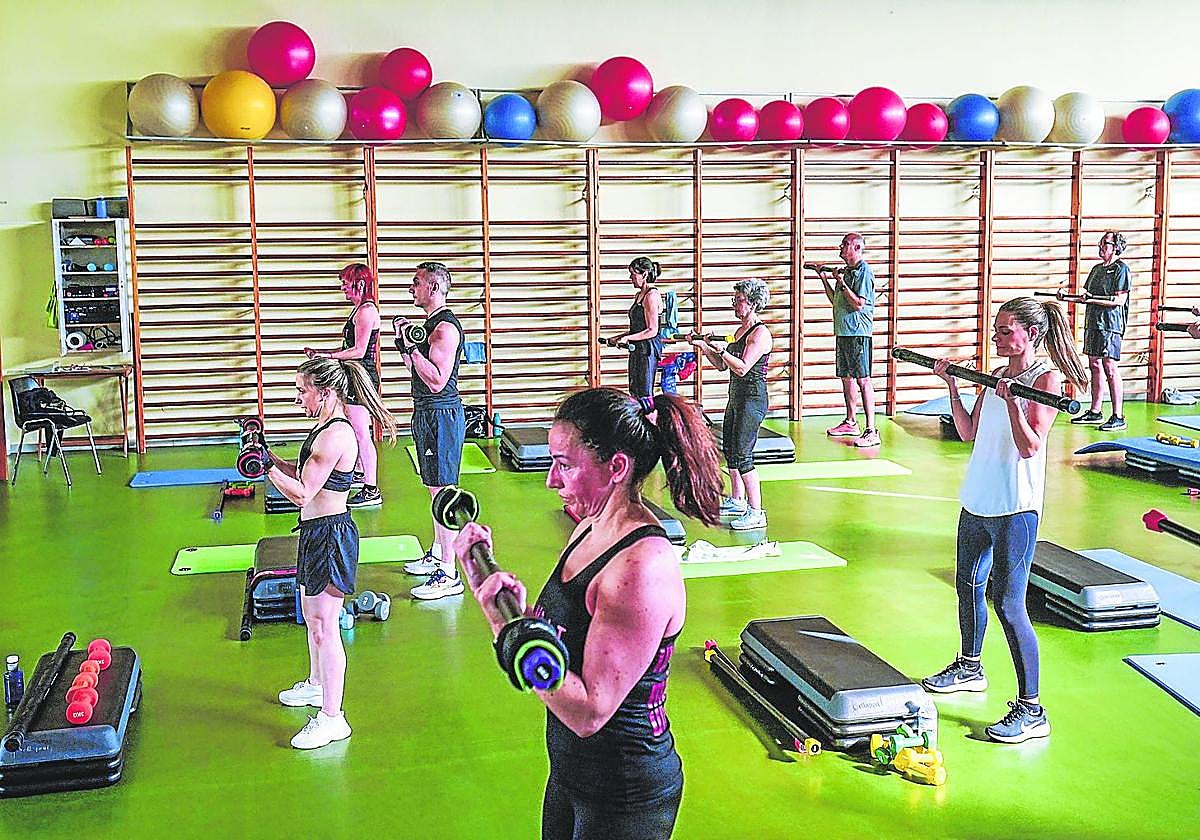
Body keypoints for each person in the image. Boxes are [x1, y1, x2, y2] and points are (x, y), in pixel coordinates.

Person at [452, 387, 722, 840]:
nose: (551, 481)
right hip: (571, 774)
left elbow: (590, 711)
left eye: (565, 465)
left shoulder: (640, 567)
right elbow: (563, 639)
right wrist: (500, 603)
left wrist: (511, 633)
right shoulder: (590, 528)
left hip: (624, 792)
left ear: (616, 467)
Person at [920, 297, 1088, 744]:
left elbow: (1030, 445)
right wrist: (954, 386)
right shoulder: (996, 376)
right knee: (967, 586)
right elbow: (969, 431)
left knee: (1010, 605)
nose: (997, 338)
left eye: (1005, 330)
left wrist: (1013, 403)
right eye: (996, 330)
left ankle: (1033, 710)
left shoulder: (1047, 379)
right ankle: (970, 668)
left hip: (1016, 505)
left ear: (1032, 334)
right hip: (978, 498)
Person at [268, 357, 397, 749]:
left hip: (331, 536)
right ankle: (316, 684)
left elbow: (305, 492)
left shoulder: (335, 435)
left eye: (301, 391)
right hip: (314, 532)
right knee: (312, 619)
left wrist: (264, 473)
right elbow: (304, 470)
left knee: (325, 626)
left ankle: (332, 717)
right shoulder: (322, 428)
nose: (297, 400)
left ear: (324, 393)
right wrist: (270, 457)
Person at [392, 261, 468, 601]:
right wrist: (403, 342)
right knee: (433, 487)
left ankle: (449, 573)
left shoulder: (444, 329)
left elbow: (437, 380)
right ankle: (439, 551)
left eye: (417, 282)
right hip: (425, 412)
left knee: (443, 492)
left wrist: (411, 347)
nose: (412, 288)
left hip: (440, 413)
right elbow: (416, 369)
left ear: (433, 288)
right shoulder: (429, 326)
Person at [692, 278, 774, 530]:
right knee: (730, 449)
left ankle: (756, 511)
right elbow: (721, 366)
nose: (734, 305)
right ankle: (738, 500)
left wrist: (722, 349)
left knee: (743, 454)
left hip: (753, 398)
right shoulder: (739, 332)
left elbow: (742, 367)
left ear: (752, 304)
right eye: (734, 300)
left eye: (738, 301)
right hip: (736, 397)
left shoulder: (760, 334)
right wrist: (704, 347)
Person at [303, 263, 385, 507]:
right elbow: (351, 349)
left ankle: (372, 490)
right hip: (354, 375)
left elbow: (359, 351)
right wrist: (323, 354)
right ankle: (361, 472)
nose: (343, 289)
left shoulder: (366, 311)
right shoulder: (358, 310)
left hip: (362, 377)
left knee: (361, 432)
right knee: (353, 428)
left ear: (359, 284)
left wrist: (327, 356)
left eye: (346, 284)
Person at [815, 233, 879, 448]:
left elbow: (859, 304)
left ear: (857, 248)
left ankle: (872, 430)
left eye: (845, 245)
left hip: (858, 333)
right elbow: (837, 300)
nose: (840, 247)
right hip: (843, 332)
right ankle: (851, 421)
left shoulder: (863, 272)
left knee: (863, 380)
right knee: (847, 378)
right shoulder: (848, 272)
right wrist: (826, 280)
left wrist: (841, 282)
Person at [1067, 231, 1131, 432]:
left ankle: (1118, 416)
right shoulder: (1096, 270)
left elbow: (1118, 301)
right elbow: (1087, 296)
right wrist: (1066, 297)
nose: (1101, 246)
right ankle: (1095, 411)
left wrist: (1090, 299)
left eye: (1106, 243)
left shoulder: (1121, 269)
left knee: (1109, 368)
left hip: (1111, 325)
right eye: (1101, 242)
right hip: (1093, 323)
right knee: (1094, 365)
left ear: (1116, 246)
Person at [608, 257, 664, 412]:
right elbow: (638, 328)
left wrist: (627, 338)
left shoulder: (651, 296)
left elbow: (652, 330)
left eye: (633, 274)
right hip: (637, 348)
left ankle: (650, 427)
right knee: (634, 390)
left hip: (648, 349)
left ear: (644, 275)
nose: (630, 278)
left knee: (645, 392)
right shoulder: (639, 295)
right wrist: (620, 337)